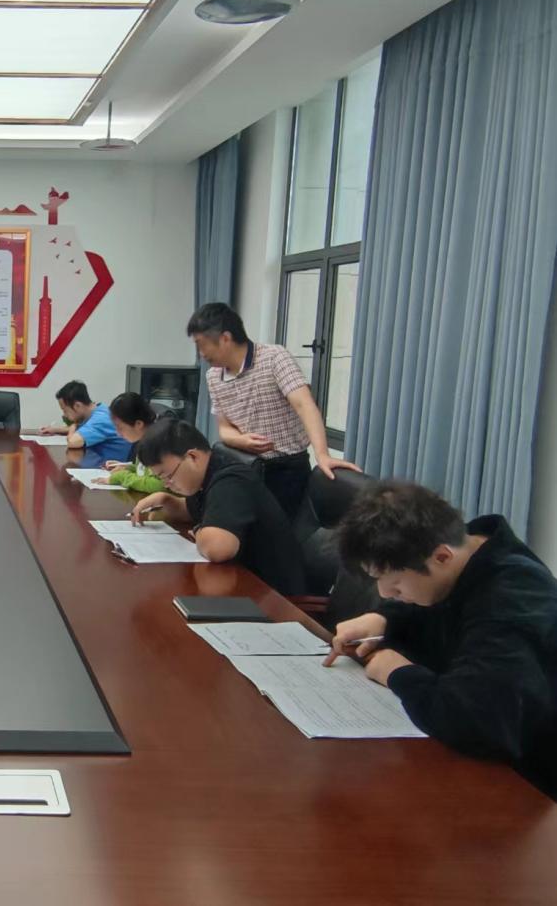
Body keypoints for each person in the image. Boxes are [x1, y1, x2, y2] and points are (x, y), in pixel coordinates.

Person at [326, 482, 557, 797]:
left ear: (442, 557)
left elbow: (476, 722)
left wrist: (398, 673)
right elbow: (437, 605)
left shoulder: (512, 601)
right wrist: (385, 618)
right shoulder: (468, 549)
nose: (385, 593)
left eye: (395, 583)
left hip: (529, 788)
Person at [186, 302, 359, 516]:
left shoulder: (274, 358)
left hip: (286, 472)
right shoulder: (213, 376)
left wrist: (322, 454)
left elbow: (305, 405)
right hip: (244, 466)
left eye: (201, 345)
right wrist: (241, 440)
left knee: (276, 531)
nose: (201, 354)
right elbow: (224, 428)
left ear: (225, 338)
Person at [130, 418, 306, 600]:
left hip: (275, 598)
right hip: (244, 586)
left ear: (192, 457)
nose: (167, 484)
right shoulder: (206, 474)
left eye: (167, 476)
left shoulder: (230, 480)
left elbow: (218, 548)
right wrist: (166, 500)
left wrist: (200, 532)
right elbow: (194, 510)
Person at [39, 380, 132, 461]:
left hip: (111, 469)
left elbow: (72, 442)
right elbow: (82, 428)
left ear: (77, 406)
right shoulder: (97, 409)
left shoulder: (100, 419)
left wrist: (73, 425)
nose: (64, 415)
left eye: (65, 410)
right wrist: (54, 430)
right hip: (100, 462)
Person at [92, 392, 165, 493]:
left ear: (138, 424)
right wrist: (129, 468)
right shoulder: (144, 441)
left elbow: (159, 485)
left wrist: (122, 476)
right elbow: (145, 471)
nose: (118, 433)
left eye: (120, 428)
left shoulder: (157, 444)